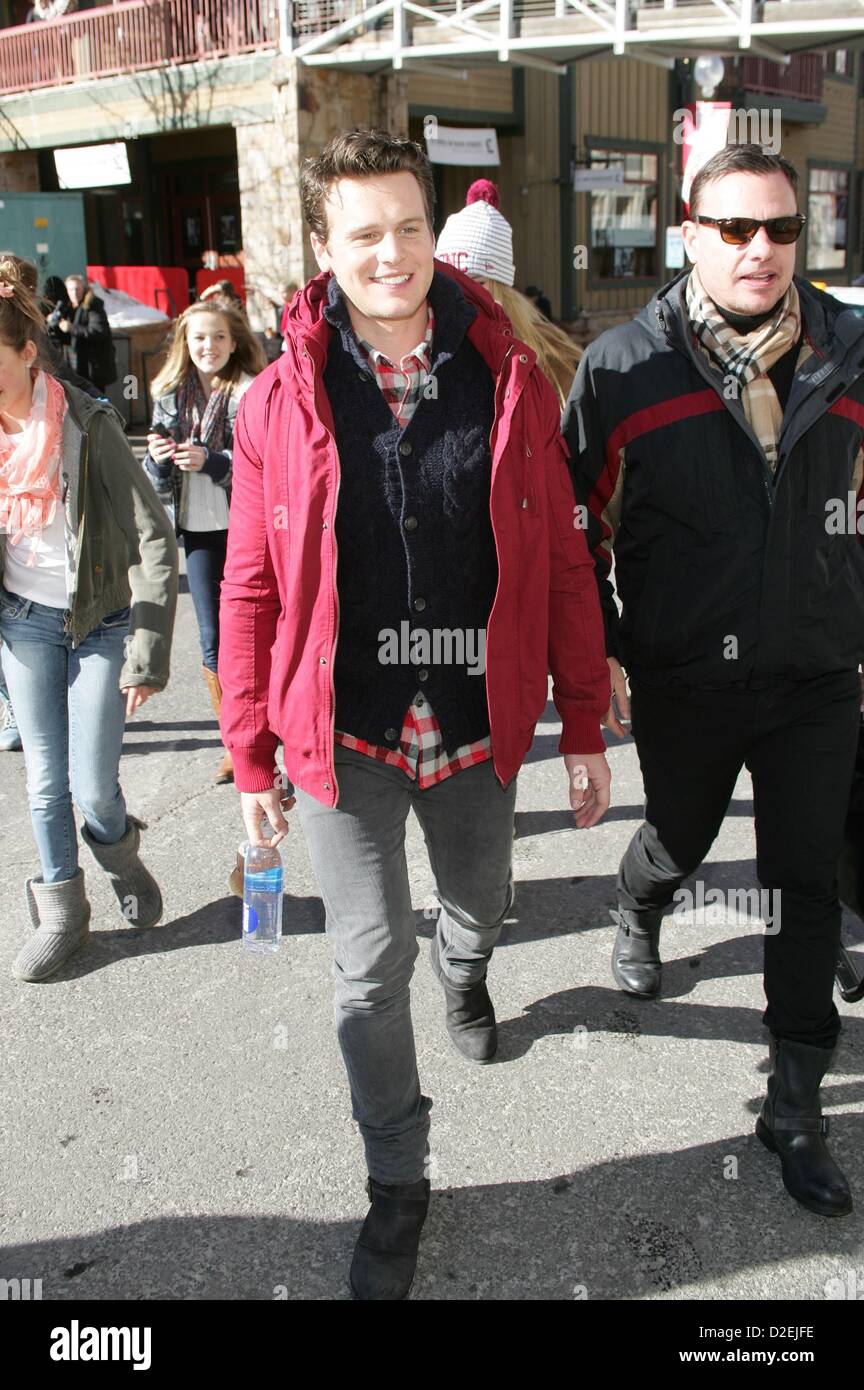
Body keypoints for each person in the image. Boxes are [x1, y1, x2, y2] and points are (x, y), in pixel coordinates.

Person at [218, 128, 611, 1300]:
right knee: (363, 971)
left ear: (431, 230)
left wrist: (582, 720)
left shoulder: (511, 376)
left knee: (479, 901)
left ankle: (471, 962)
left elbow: (561, 566)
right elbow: (248, 585)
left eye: (406, 226)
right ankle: (398, 1175)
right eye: (362, 233)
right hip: (345, 731)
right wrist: (249, 756)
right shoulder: (272, 403)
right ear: (325, 248)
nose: (389, 253)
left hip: (481, 721)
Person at [563, 144, 864, 1219]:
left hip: (816, 675)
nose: (760, 250)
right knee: (683, 835)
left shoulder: (849, 351)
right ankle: (640, 900)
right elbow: (573, 525)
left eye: (781, 229)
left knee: (800, 882)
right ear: (690, 234)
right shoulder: (623, 368)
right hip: (686, 673)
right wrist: (596, 646)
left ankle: (793, 1103)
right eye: (734, 228)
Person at [0, 256, 179, 983]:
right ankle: (65, 912)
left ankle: (120, 853)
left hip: (99, 621)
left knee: (93, 786)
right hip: (23, 621)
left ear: (26, 352)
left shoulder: (86, 422)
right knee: (44, 781)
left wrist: (147, 650)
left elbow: (155, 537)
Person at [144, 300, 265, 783]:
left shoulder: (252, 393)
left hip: (248, 529)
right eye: (198, 338)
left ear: (233, 342)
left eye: (217, 337)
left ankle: (275, 729)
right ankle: (237, 743)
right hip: (196, 532)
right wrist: (157, 458)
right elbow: (155, 481)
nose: (208, 346)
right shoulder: (170, 395)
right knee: (213, 639)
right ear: (184, 344)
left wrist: (213, 461)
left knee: (256, 633)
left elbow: (266, 466)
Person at [435, 180, 581, 407]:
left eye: (475, 282)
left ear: (500, 286)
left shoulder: (550, 357)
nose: (461, 295)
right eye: (449, 283)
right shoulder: (428, 343)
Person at [55, 274, 117, 392]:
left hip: (92, 369)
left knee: (96, 404)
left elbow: (98, 331)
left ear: (83, 289)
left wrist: (72, 328)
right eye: (71, 289)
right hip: (74, 367)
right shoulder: (66, 307)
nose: (74, 292)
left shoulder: (93, 305)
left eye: (77, 289)